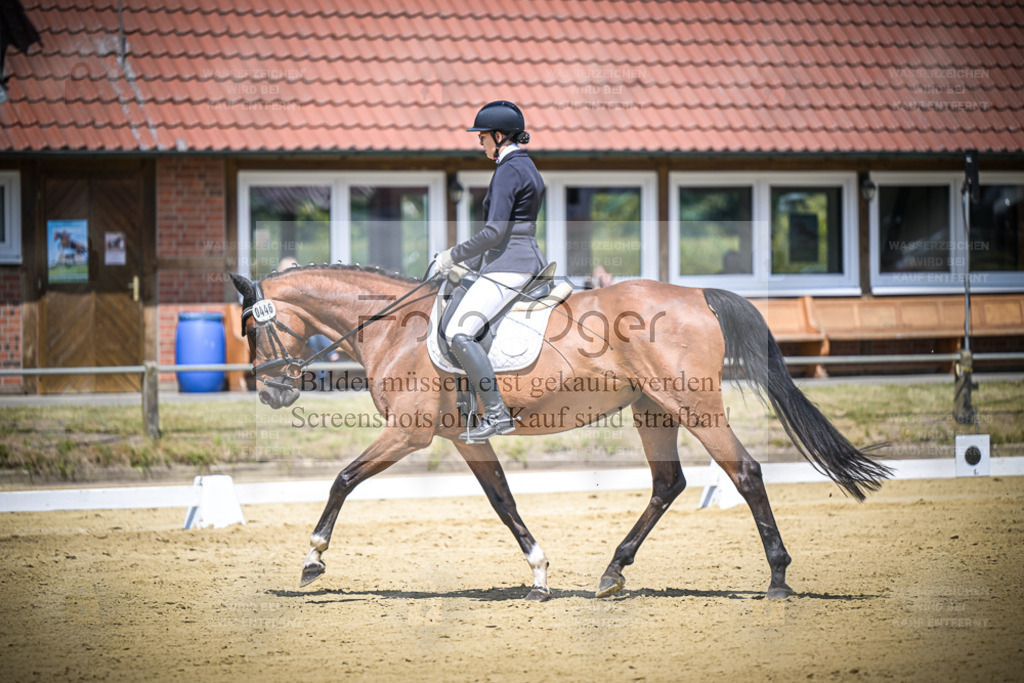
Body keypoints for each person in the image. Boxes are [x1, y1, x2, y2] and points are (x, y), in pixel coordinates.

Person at [436, 100, 547, 442]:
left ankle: (497, 414)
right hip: (518, 259)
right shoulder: (526, 166)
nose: (479, 142)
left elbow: (494, 233)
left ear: (498, 136)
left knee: (458, 332)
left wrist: (453, 255)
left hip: (510, 263)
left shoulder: (507, 170)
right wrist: (469, 265)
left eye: (482, 137)